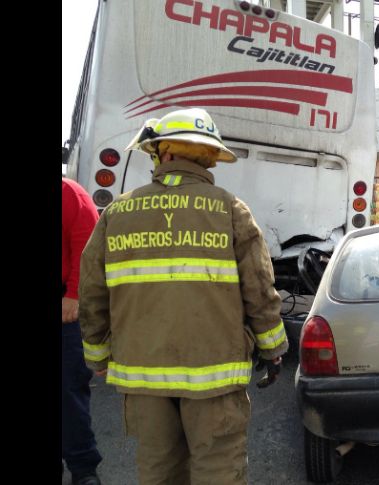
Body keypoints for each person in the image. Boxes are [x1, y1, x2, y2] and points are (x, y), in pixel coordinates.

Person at [78, 108, 288, 485]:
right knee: (218, 473)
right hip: (215, 379)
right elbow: (260, 290)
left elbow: (92, 291)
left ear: (165, 152)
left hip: (143, 376)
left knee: (158, 473)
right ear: (207, 156)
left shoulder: (117, 213)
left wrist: (98, 355)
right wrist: (273, 350)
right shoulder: (230, 209)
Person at [62, 177, 103, 485]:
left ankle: (83, 468)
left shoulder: (70, 194)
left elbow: (88, 246)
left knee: (69, 389)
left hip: (65, 307)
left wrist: (74, 294)